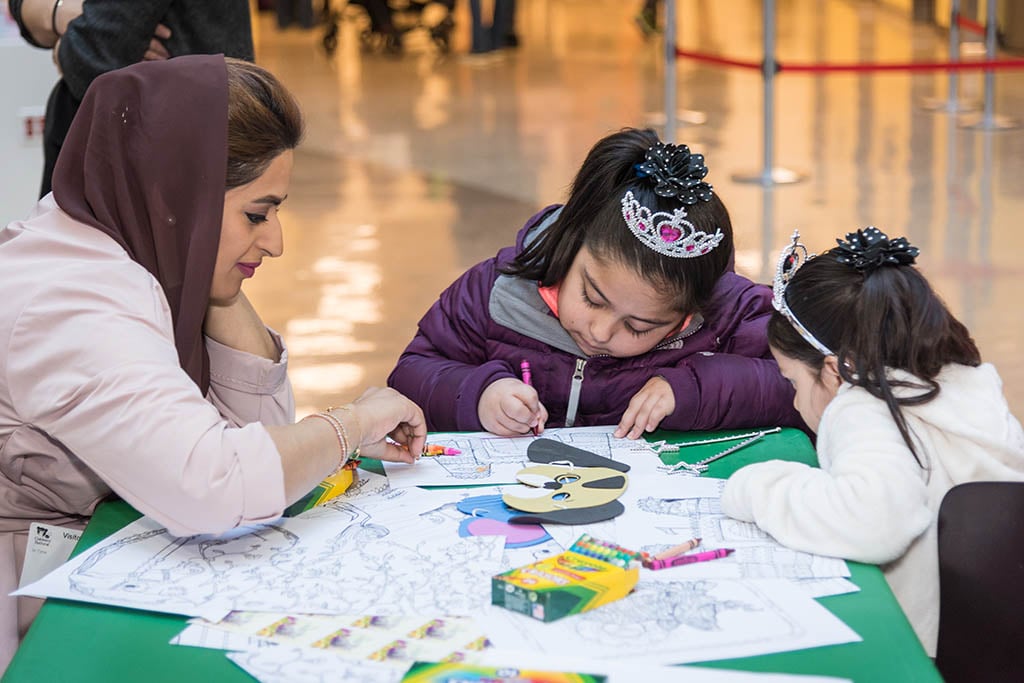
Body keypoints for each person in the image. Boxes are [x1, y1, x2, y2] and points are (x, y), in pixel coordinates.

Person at [0, 55, 425, 670]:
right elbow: (216, 483)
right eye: (258, 213)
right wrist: (353, 424)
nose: (276, 241)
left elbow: (260, 433)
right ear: (178, 194)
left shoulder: (138, 245)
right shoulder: (74, 300)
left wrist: (215, 273)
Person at [720, 228, 1024, 656]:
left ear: (833, 371)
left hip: (933, 649)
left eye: (792, 381)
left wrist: (753, 490)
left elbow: (876, 520)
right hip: (999, 635)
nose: (793, 399)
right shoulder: (964, 381)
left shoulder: (862, 404)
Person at [387, 128, 802, 438]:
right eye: (591, 297)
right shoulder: (496, 292)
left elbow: (808, 389)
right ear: (571, 243)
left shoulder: (730, 315)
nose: (601, 332)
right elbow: (411, 376)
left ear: (690, 311)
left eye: (639, 327)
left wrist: (695, 388)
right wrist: (479, 394)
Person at [7, 0, 254, 198]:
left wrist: (65, 45)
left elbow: (93, 54)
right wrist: (62, 14)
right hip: (154, 141)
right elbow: (20, 9)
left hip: (154, 150)